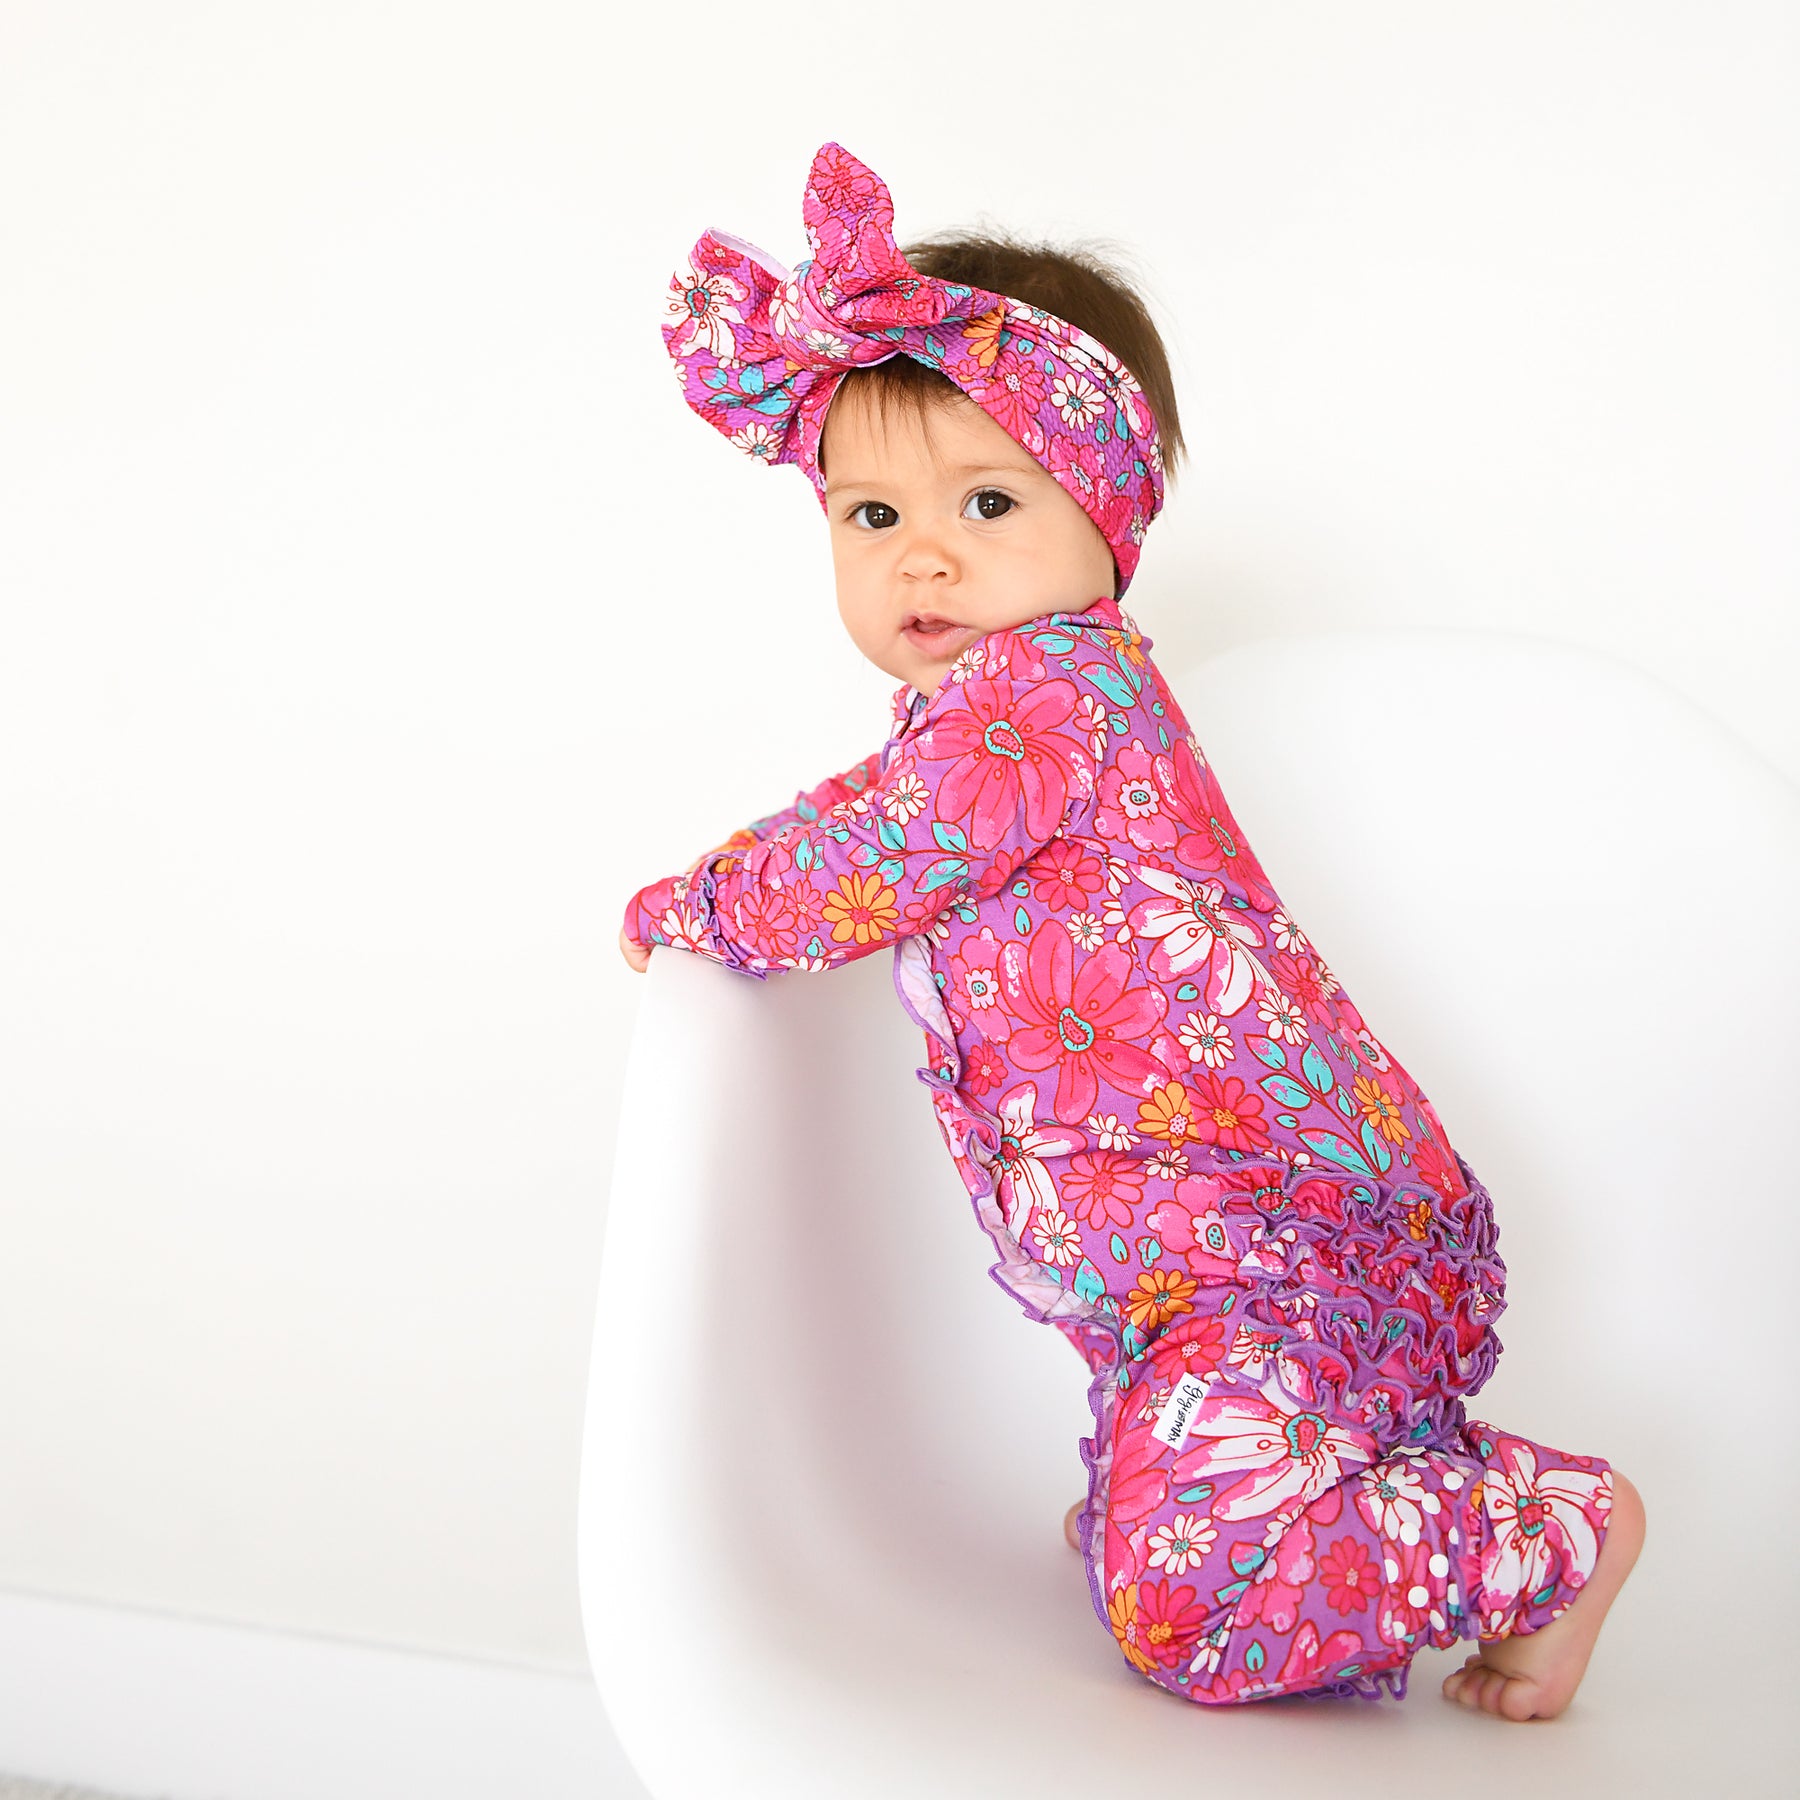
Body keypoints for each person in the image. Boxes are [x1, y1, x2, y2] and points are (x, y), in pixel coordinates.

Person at [617, 141, 1643, 1718]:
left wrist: (695, 904)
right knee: (1160, 1537)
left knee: (1187, 1616)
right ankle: (1342, 1507)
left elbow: (877, 849)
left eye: (987, 501)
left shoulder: (1056, 696)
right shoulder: (1008, 704)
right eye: (872, 512)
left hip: (1278, 1238)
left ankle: (1546, 1533)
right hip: (1214, 1260)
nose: (922, 554)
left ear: (1109, 513)